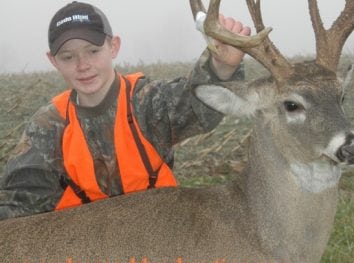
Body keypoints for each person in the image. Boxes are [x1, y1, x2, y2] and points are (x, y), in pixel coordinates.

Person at [0, 1, 250, 220]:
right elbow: (21, 203)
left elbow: (197, 104)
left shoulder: (146, 103)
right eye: (68, 57)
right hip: (85, 247)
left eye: (93, 51)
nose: (83, 65)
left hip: (160, 238)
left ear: (114, 47)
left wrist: (222, 67)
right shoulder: (48, 126)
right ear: (53, 61)